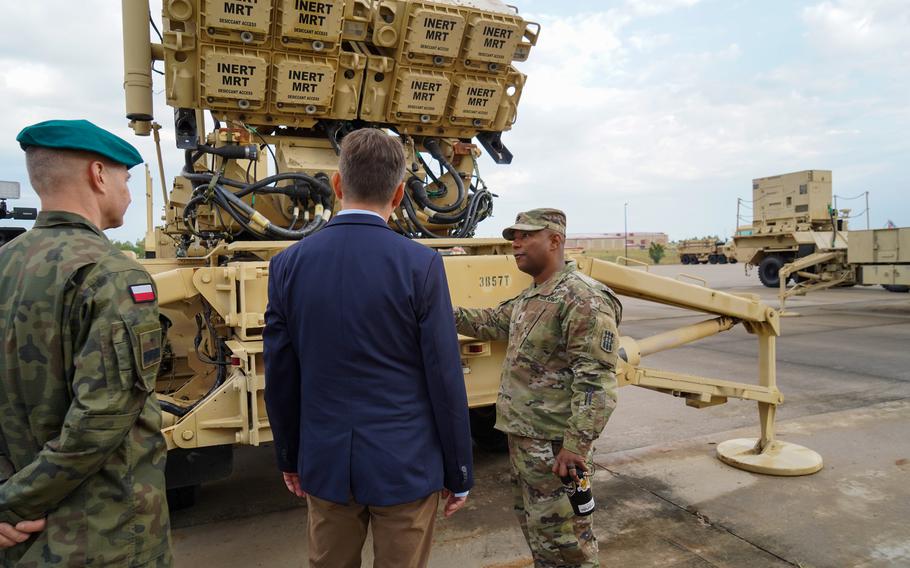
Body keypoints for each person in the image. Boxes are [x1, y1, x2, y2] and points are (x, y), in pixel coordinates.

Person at [263, 128, 474, 568]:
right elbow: (444, 376)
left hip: (325, 465)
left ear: (337, 185)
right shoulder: (422, 264)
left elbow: (281, 375)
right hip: (406, 469)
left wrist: (289, 456)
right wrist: (459, 470)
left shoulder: (286, 266)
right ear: (399, 193)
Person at [0, 120, 172, 567]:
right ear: (98, 175)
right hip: (104, 534)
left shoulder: (6, 263)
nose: (129, 193)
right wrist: (13, 502)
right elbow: (99, 419)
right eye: (125, 178)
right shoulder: (113, 275)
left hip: (20, 538)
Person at [454, 208, 622, 568]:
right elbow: (489, 321)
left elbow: (597, 379)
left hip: (558, 449)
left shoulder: (582, 298)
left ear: (555, 240)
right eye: (514, 237)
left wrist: (576, 446)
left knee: (568, 542)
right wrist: (437, 308)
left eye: (526, 236)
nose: (516, 244)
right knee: (541, 535)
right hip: (527, 443)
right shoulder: (533, 296)